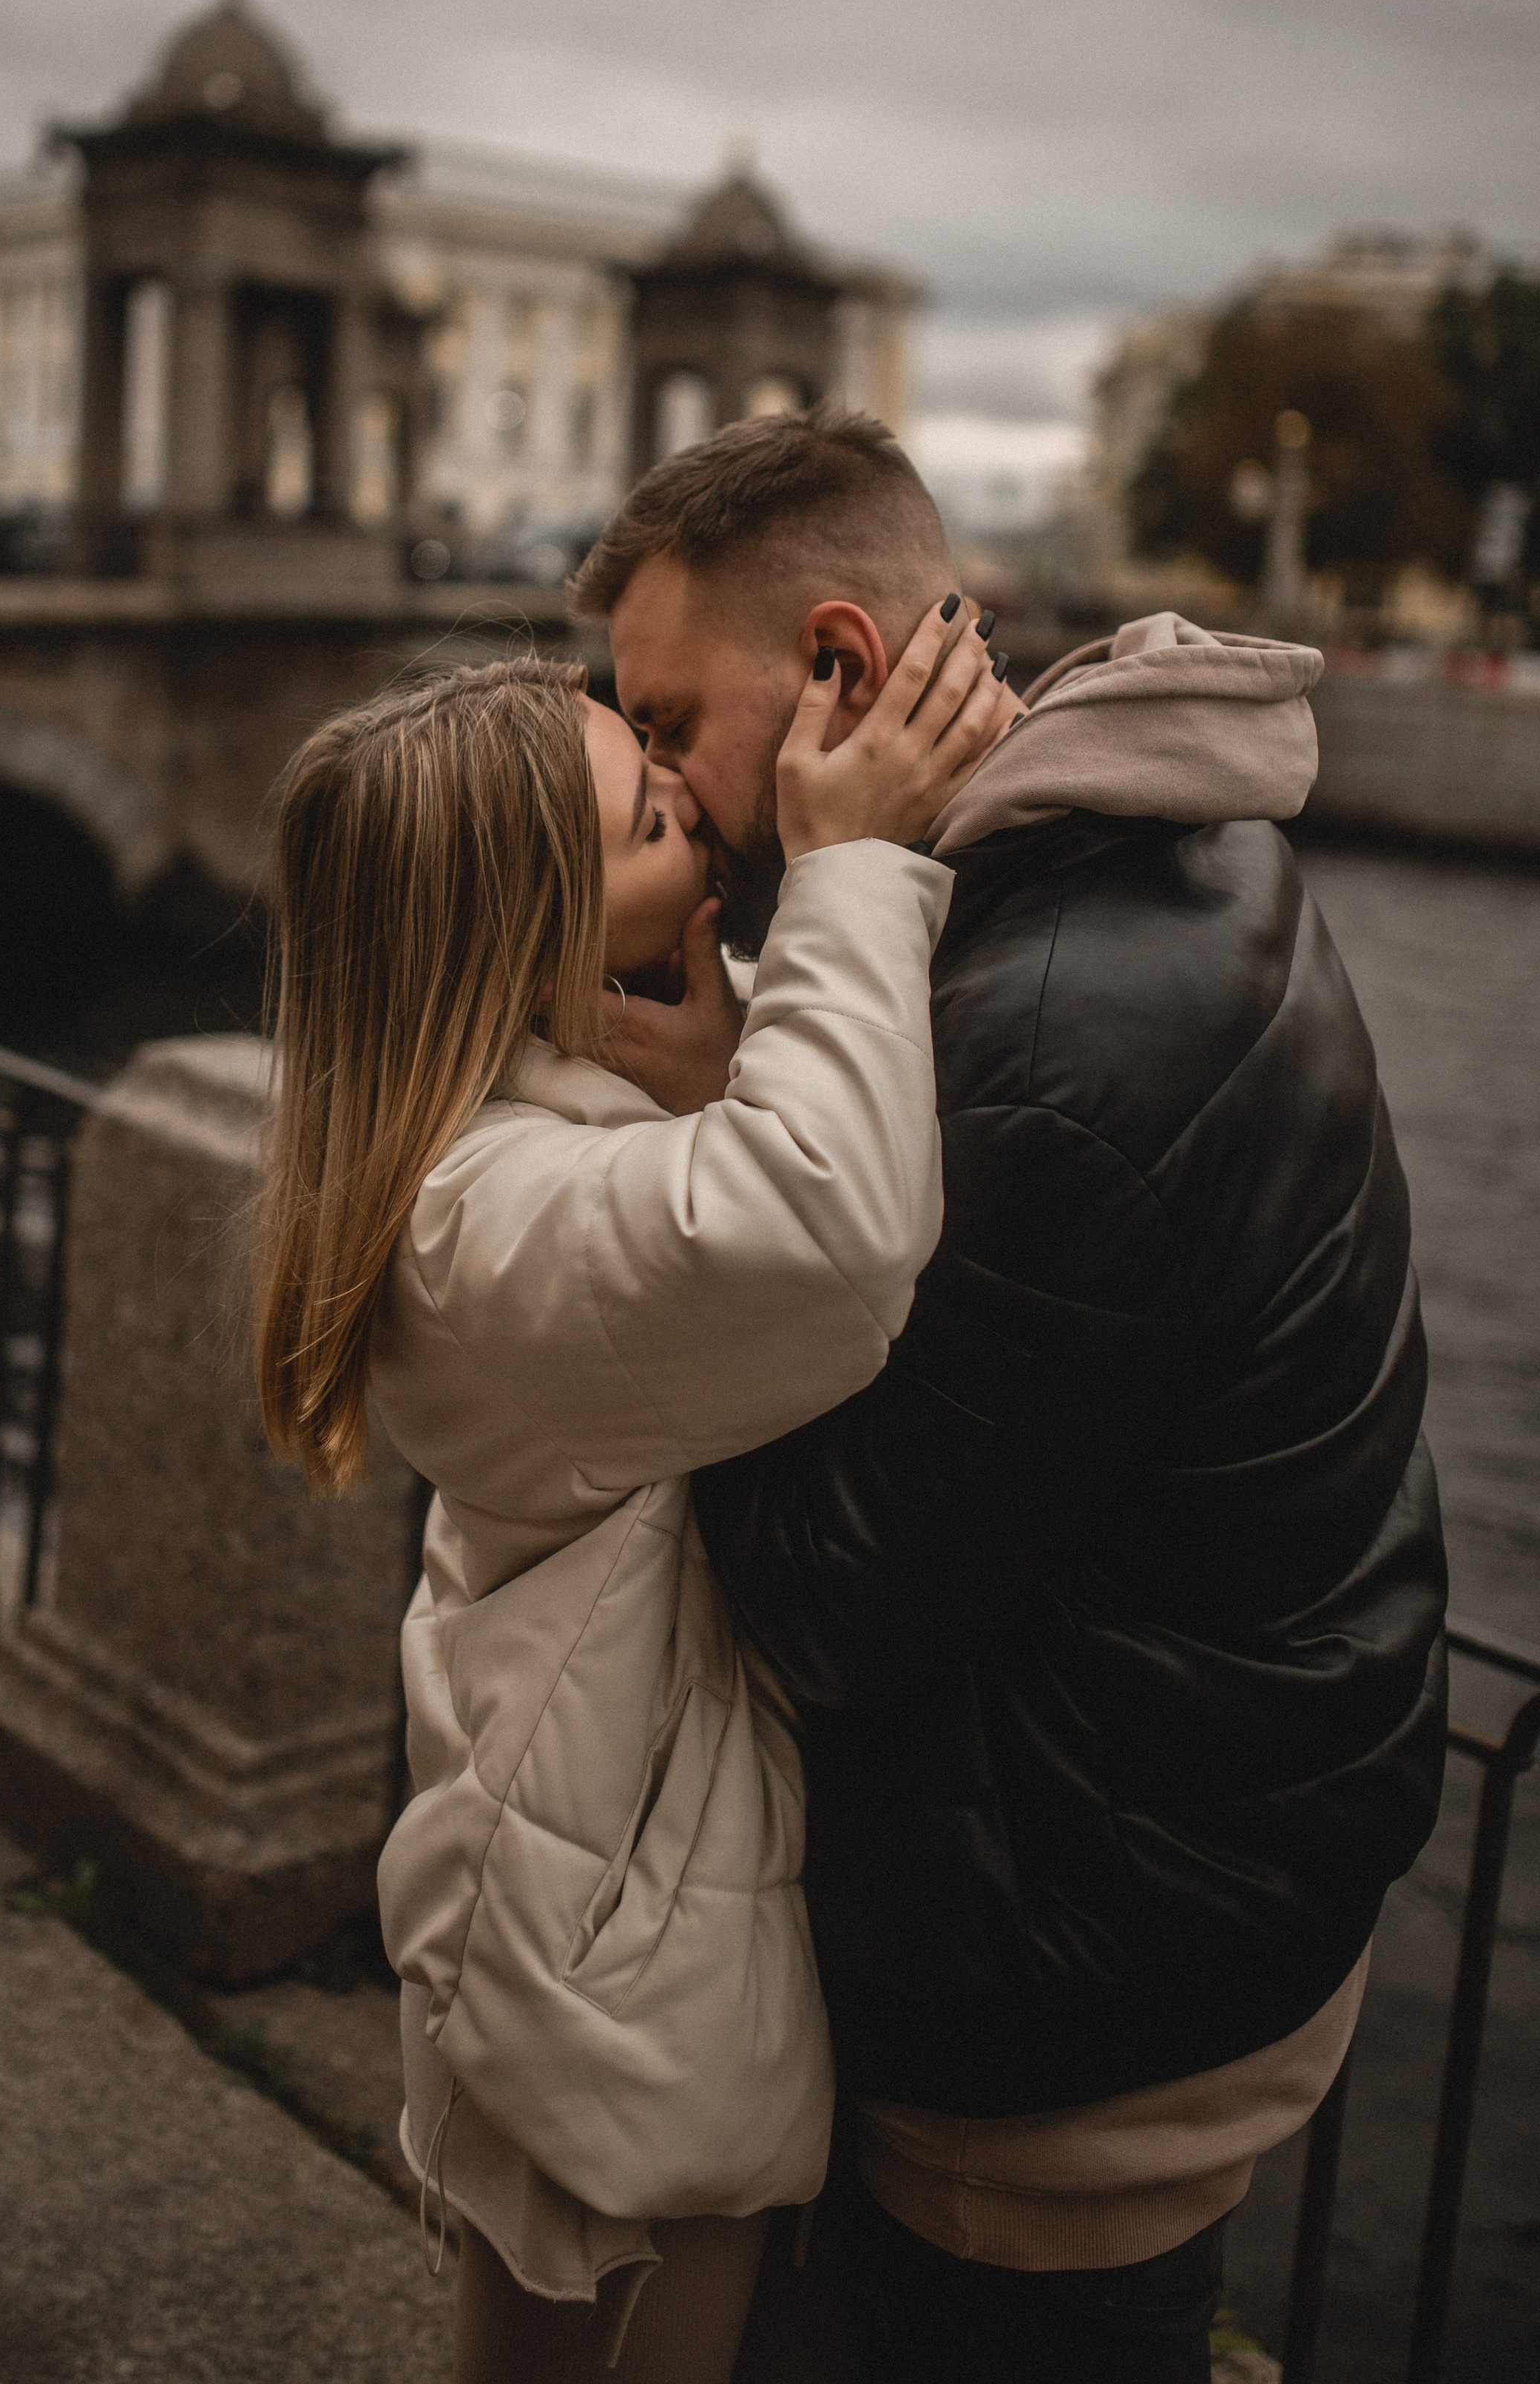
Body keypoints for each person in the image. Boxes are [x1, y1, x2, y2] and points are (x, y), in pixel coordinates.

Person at [575, 402, 1450, 2384]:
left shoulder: (1047, 1043)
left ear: (841, 674)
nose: (657, 793)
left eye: (665, 722)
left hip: (1078, 1991)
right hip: (1176, 1851)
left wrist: (696, 1145)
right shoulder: (1122, 872)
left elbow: (811, 1596)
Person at [251, 622, 1005, 2384]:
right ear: (521, 943)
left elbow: (703, 1223)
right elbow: (820, 1240)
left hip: (587, 1928)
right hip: (612, 1984)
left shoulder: (480, 1161)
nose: (708, 824)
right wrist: (848, 873)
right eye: (655, 824)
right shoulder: (482, 1233)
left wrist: (714, 1074)